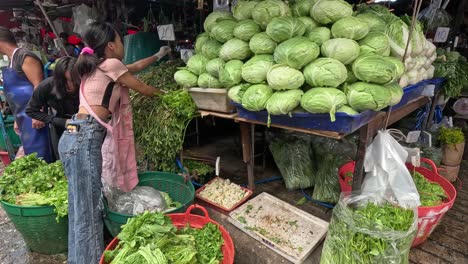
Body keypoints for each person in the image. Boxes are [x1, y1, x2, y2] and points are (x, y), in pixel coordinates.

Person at [58, 21, 170, 264]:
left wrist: (156, 56)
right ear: (111, 45)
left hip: (72, 135)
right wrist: (171, 97)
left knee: (80, 211)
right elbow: (142, 87)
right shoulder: (111, 64)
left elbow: (135, 68)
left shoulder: (96, 66)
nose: (122, 46)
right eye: (120, 41)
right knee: (88, 215)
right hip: (85, 138)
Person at [0, 26, 52, 162]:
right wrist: (17, 119)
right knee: (33, 155)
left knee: (42, 154)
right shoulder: (12, 61)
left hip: (35, 115)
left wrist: (38, 113)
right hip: (23, 117)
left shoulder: (24, 56)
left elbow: (38, 85)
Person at [25, 56, 79, 160]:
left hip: (84, 123)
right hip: (62, 124)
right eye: (66, 80)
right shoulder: (46, 86)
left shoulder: (86, 84)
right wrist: (59, 121)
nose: (71, 85)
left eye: (74, 80)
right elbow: (31, 110)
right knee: (66, 156)